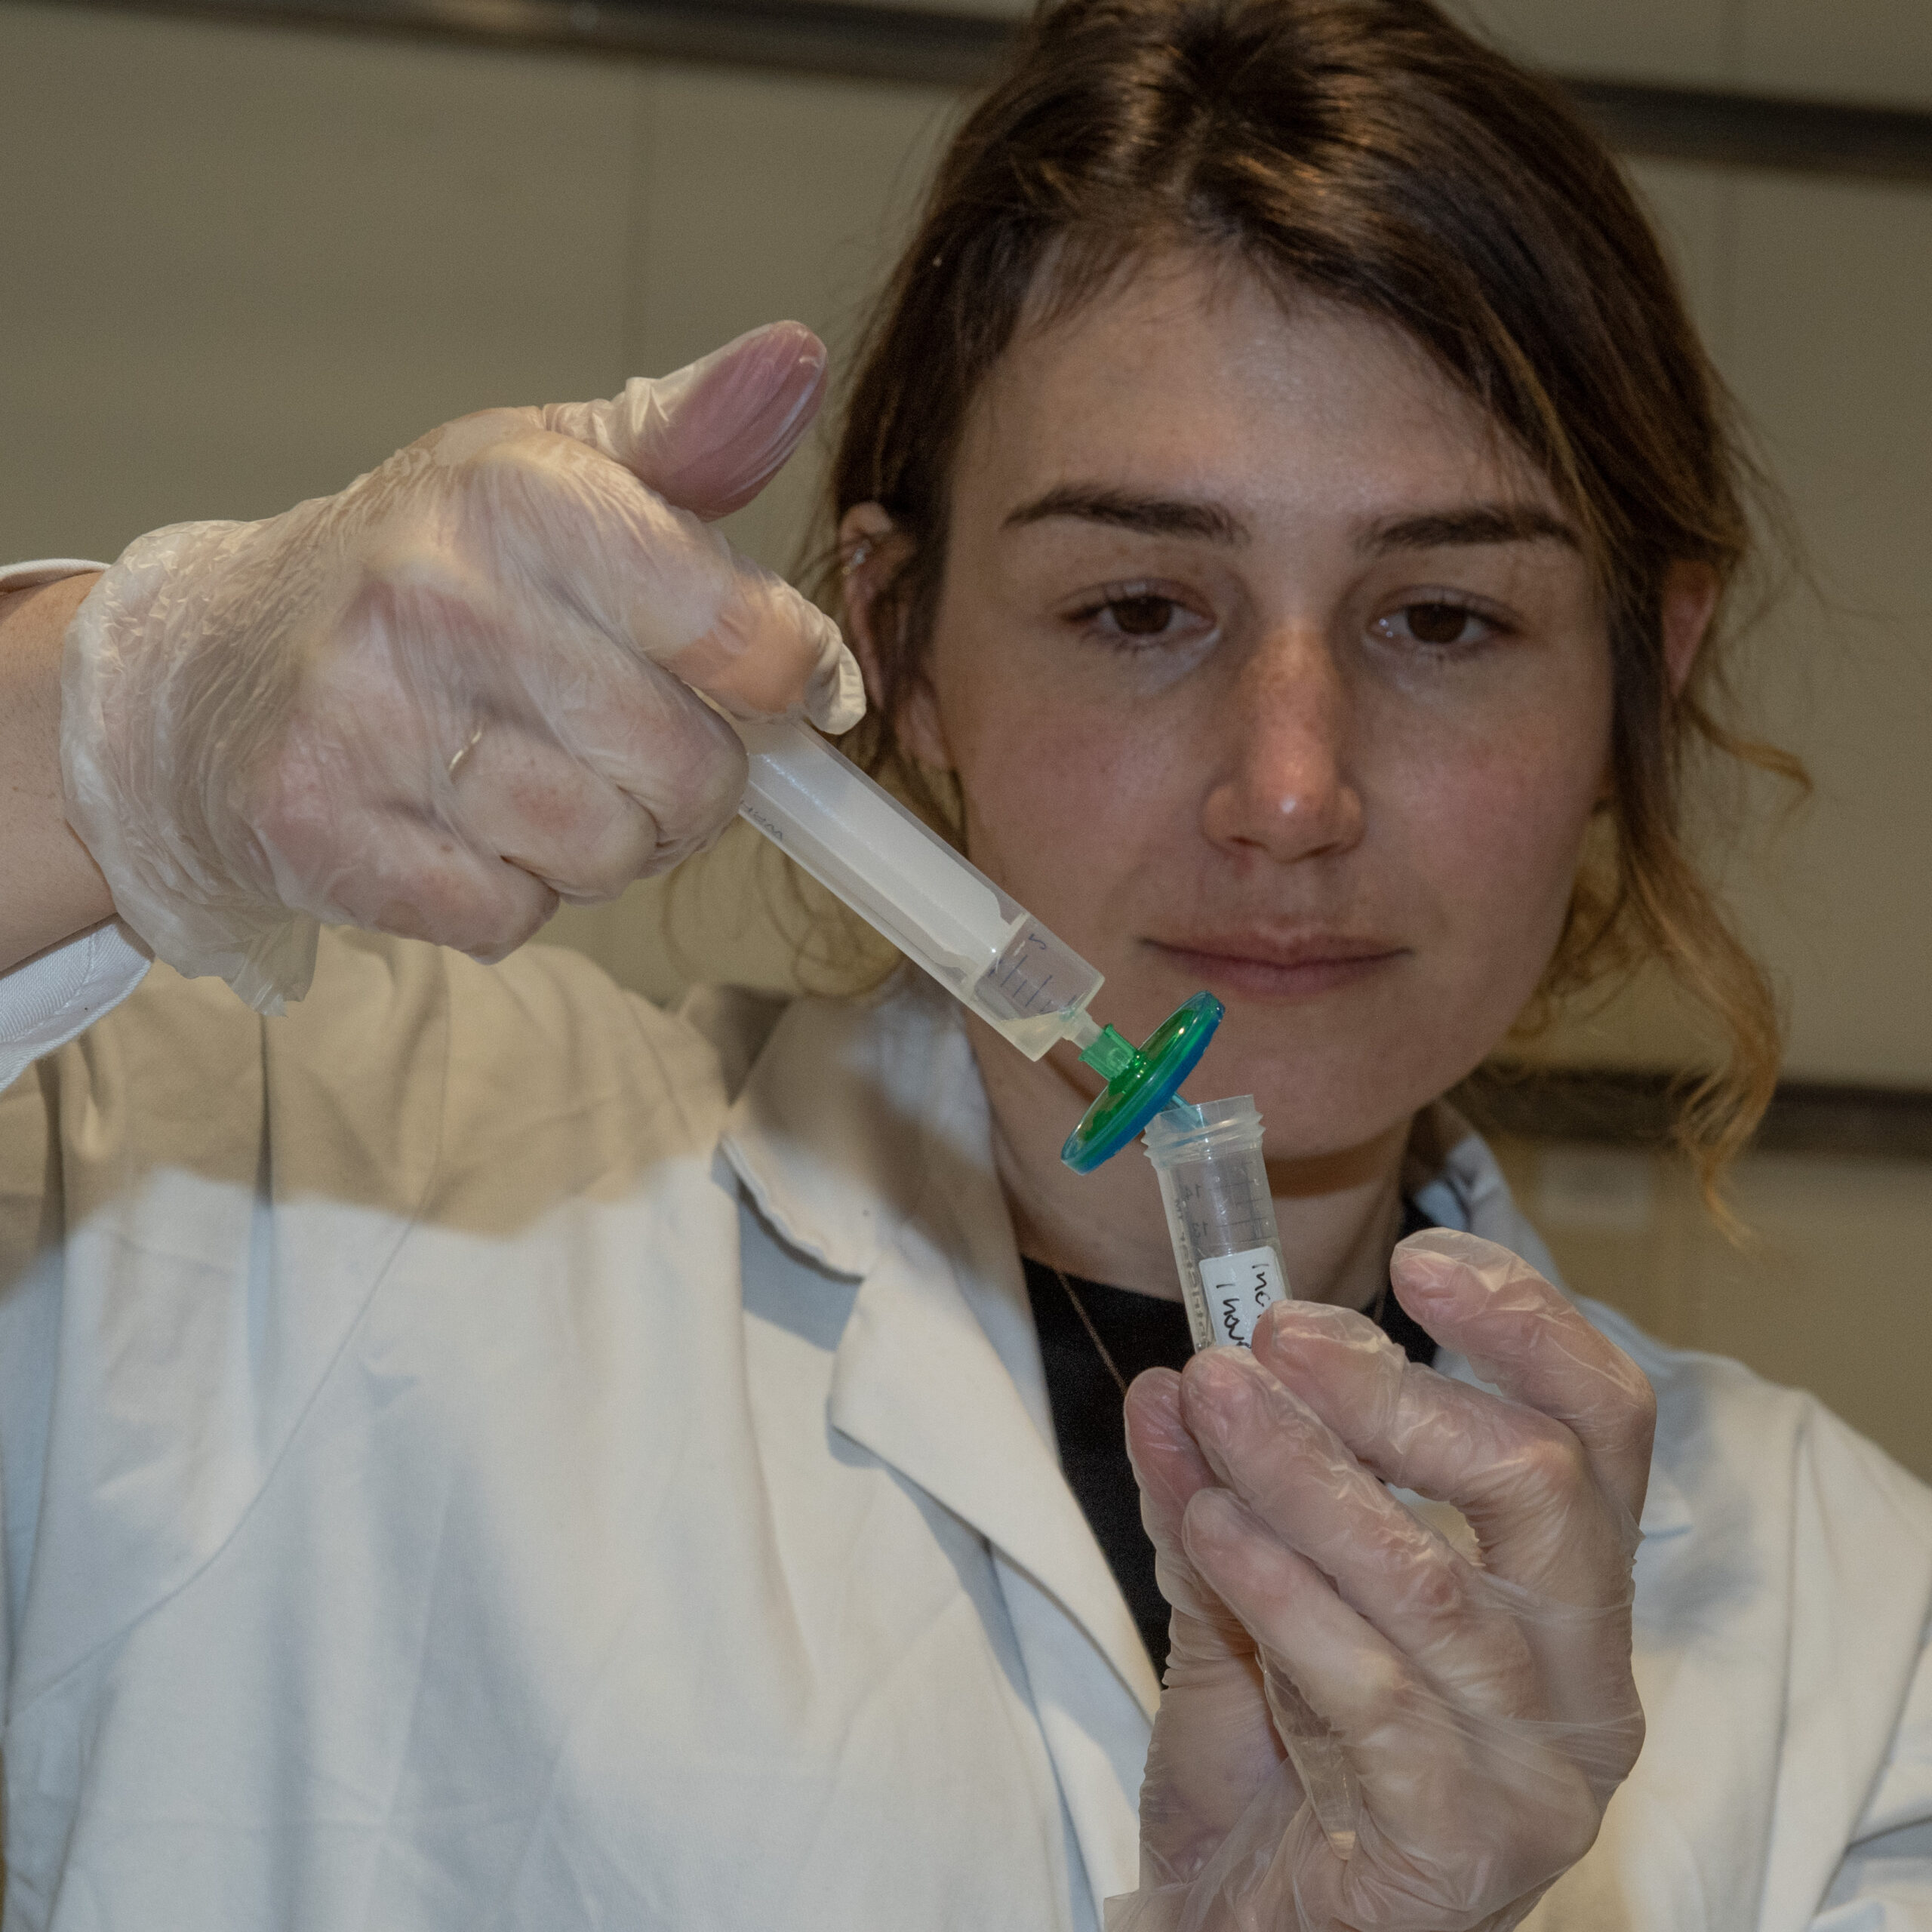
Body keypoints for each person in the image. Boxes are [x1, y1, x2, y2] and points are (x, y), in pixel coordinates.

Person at [1, 0, 1928, 1925]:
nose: (1287, 790)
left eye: (1439, 617)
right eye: (1136, 605)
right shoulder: (284, 1180)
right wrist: (117, 725)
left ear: (1633, 683)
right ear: (896, 641)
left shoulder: (1849, 1635)